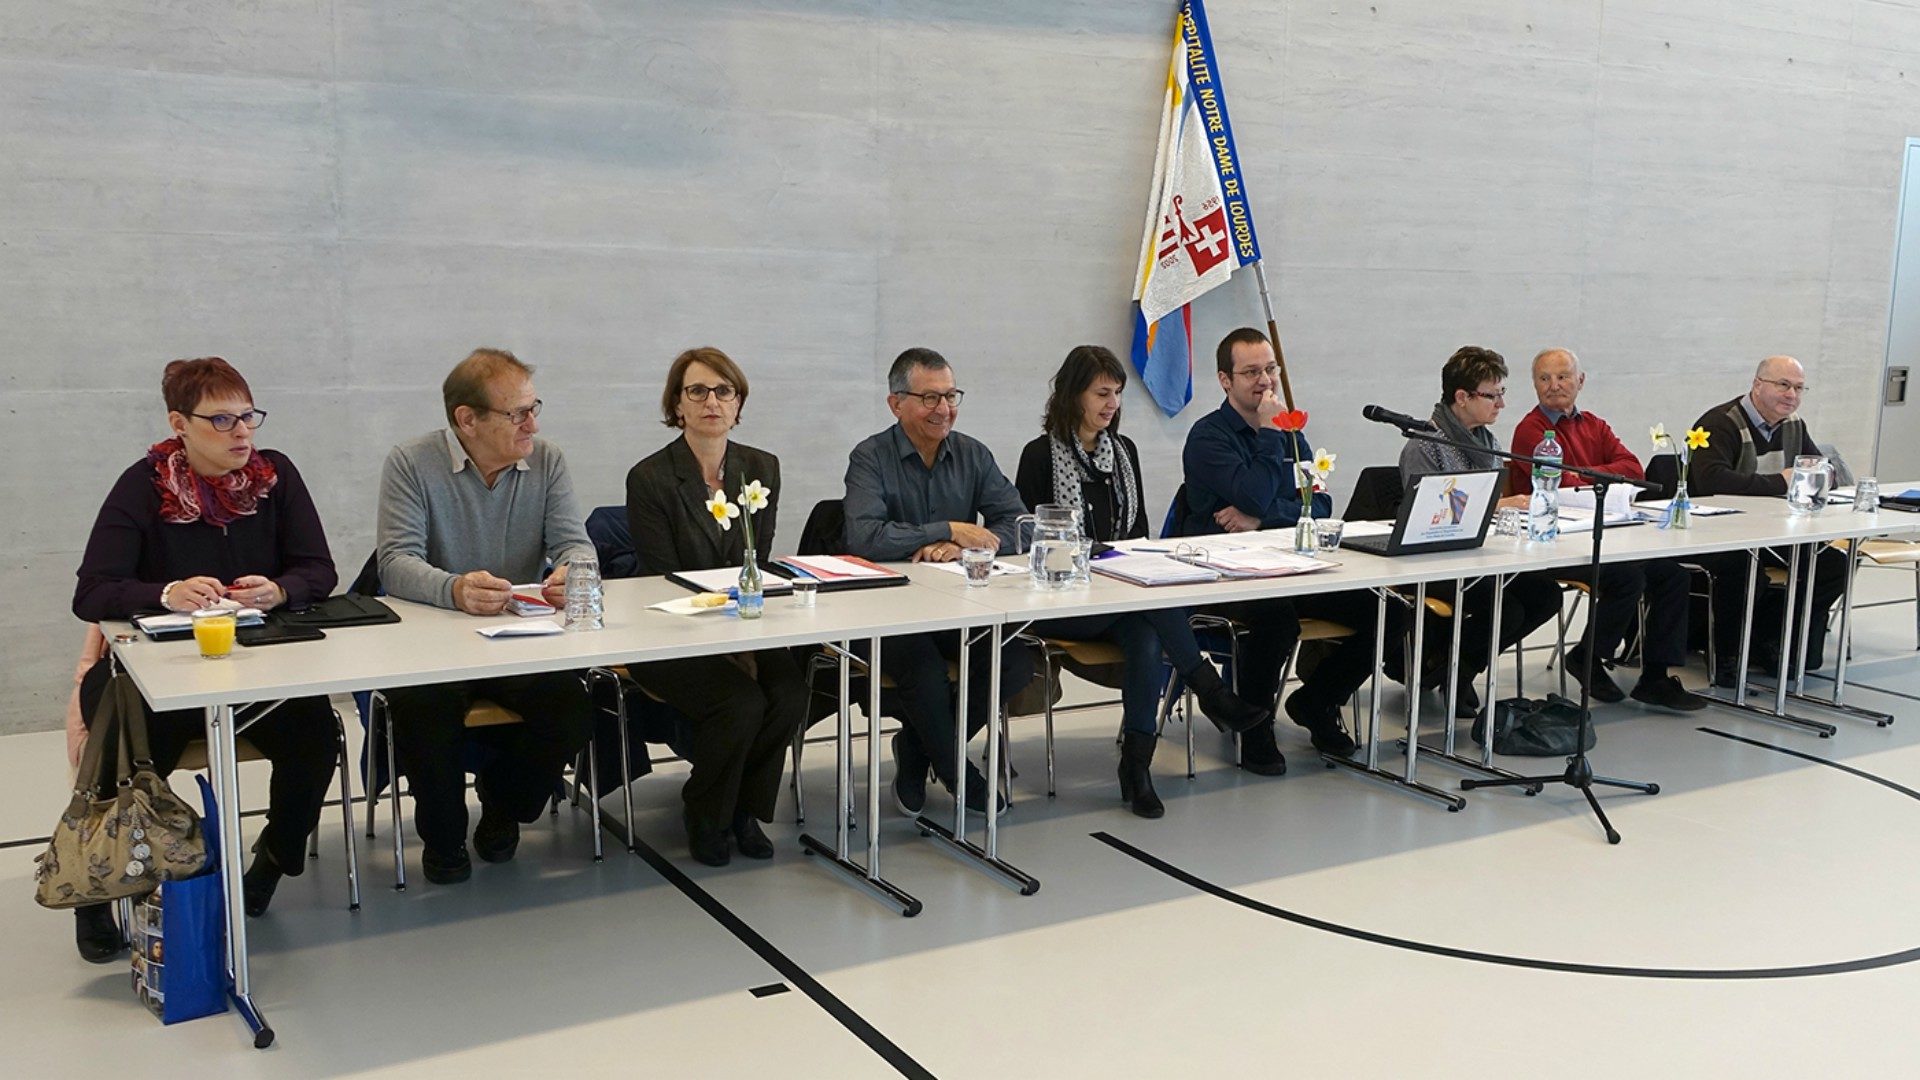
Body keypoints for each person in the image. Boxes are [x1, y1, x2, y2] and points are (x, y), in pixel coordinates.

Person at [71, 357, 339, 960]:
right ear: (180, 424)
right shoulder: (143, 486)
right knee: (126, 754)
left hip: (254, 671)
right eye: (222, 420)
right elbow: (91, 591)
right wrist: (164, 594)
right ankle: (97, 891)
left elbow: (318, 570)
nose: (242, 432)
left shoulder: (277, 478)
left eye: (248, 416)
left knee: (316, 735)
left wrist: (279, 590)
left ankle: (272, 860)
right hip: (154, 675)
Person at [1014, 346, 1273, 817]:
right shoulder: (1039, 456)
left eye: (1116, 393)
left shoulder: (1124, 451)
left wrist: (1127, 565)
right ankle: (1211, 694)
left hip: (1122, 596)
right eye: (1101, 393)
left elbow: (1138, 538)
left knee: (1146, 636)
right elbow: (1031, 543)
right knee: (1150, 614)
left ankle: (1137, 767)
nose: (1111, 404)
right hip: (1065, 602)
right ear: (1073, 396)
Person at [375, 348, 596, 885]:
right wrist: (453, 589)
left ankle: (504, 808)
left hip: (516, 635)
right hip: (434, 642)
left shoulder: (547, 460)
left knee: (573, 709)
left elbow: (576, 543)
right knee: (424, 710)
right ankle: (444, 838)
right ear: (466, 420)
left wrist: (574, 573)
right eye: (517, 413)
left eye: (533, 408)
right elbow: (394, 561)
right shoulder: (410, 462)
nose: (533, 424)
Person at [625, 347, 808, 864]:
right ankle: (706, 812)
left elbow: (758, 560)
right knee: (741, 701)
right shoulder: (651, 478)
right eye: (697, 391)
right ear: (677, 405)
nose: (712, 401)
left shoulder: (760, 467)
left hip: (744, 621)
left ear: (738, 401)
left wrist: (743, 639)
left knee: (790, 692)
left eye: (723, 391)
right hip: (671, 634)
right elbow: (661, 577)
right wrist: (728, 644)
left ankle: (745, 812)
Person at [843, 347, 1036, 816]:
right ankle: (958, 773)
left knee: (1013, 661)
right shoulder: (870, 457)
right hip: (889, 613)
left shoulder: (972, 454)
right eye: (930, 398)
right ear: (896, 404)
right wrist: (947, 529)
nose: (944, 409)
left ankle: (916, 750)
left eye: (951, 396)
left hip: (956, 604)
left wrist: (970, 547)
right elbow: (865, 538)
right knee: (924, 671)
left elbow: (1019, 525)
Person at [1177, 327, 1373, 775]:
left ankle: (1318, 700)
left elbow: (1319, 503)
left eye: (1270, 369)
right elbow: (1253, 495)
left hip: (1291, 564)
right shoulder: (1208, 438)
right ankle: (1255, 725)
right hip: (1225, 574)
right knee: (1275, 620)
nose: (1265, 381)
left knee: (1384, 610)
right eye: (1251, 372)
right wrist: (1269, 439)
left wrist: (1263, 519)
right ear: (1225, 380)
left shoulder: (1292, 433)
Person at [1509, 348, 1704, 711]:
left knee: (1673, 575)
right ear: (1534, 384)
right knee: (1628, 578)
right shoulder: (1530, 429)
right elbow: (1561, 485)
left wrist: (1587, 476)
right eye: (1544, 378)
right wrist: (1599, 473)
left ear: (1580, 381)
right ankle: (1587, 655)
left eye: (1563, 376)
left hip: (1605, 533)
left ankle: (1655, 677)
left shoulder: (1594, 424)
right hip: (1555, 542)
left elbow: (1633, 469)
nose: (1554, 386)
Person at [1398, 345, 1562, 716]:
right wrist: (1499, 506)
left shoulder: (1487, 442)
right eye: (1492, 395)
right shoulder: (1425, 444)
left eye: (1502, 394)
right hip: (1436, 562)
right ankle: (1454, 672)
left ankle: (1458, 668)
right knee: (1505, 608)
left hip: (1479, 555)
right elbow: (1430, 516)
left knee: (1545, 594)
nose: (1501, 405)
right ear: (1462, 397)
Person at [1687, 355, 1847, 684]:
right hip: (1716, 532)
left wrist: (1820, 474)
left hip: (1773, 531)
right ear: (1757, 385)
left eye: (1800, 388)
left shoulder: (1793, 425)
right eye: (1783, 385)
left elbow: (1820, 467)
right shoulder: (1719, 423)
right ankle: (1727, 655)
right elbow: (1712, 483)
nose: (1792, 395)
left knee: (1832, 565)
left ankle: (1769, 637)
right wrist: (1782, 481)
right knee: (1744, 569)